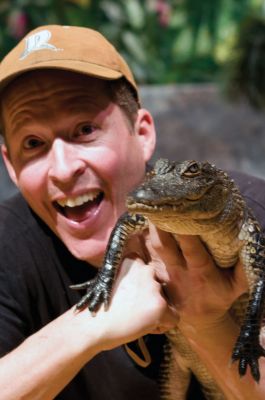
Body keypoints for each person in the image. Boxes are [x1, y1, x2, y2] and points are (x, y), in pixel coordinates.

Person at [0, 24, 265, 400]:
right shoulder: (9, 244)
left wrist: (205, 324)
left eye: (85, 129)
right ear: (11, 166)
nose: (62, 168)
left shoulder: (250, 213)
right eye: (33, 142)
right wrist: (88, 327)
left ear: (142, 134)